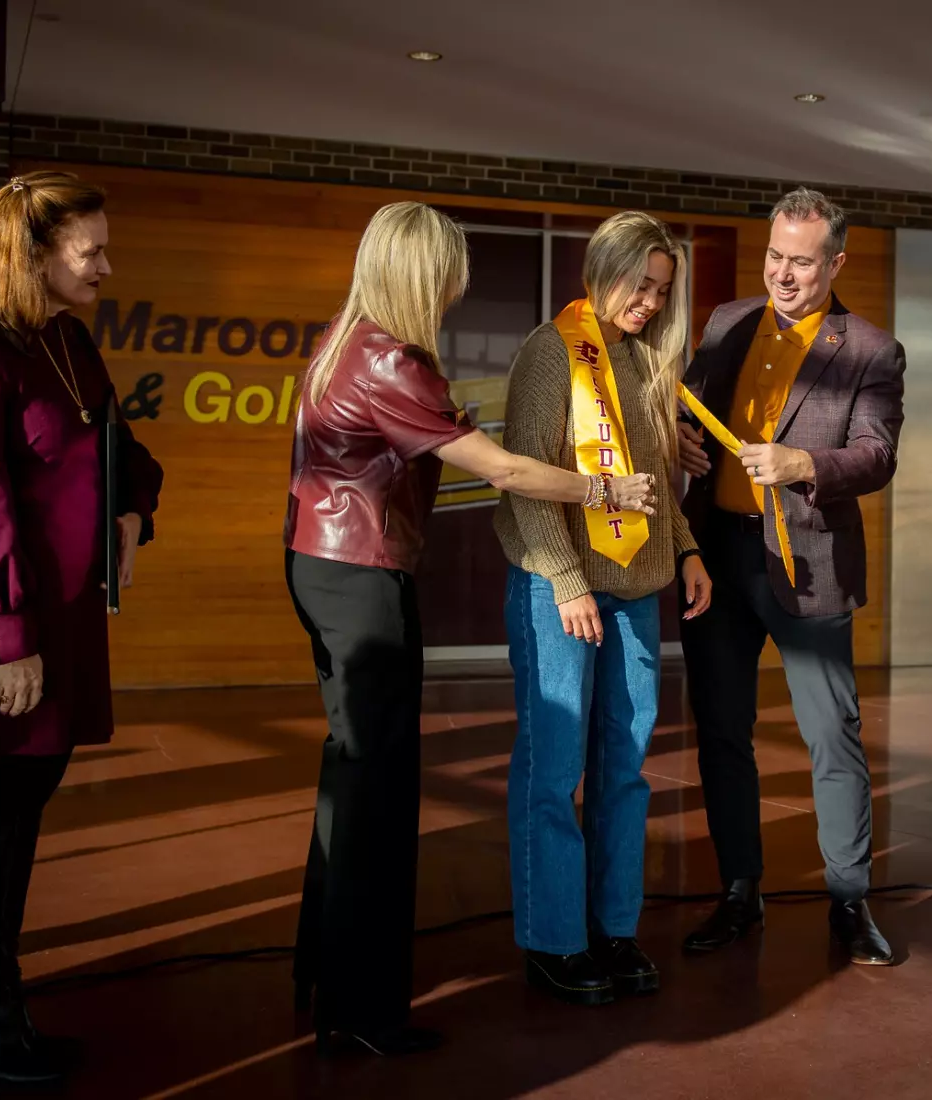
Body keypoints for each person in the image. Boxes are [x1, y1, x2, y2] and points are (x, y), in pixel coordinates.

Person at [283, 201, 658, 1056]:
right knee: (379, 798)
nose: (455, 290)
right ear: (419, 274)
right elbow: (503, 470)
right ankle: (363, 1013)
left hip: (322, 564)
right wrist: (603, 489)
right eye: (449, 274)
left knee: (351, 782)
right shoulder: (389, 359)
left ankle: (326, 974)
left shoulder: (344, 339)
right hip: (362, 577)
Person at [0, 171, 163, 1085]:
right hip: (0, 625)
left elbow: (121, 449)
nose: (105, 267)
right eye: (91, 251)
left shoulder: (69, 342)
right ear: (33, 251)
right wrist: (10, 639)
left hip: (67, 617)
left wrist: (132, 508)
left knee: (26, 797)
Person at [674, 188, 905, 965]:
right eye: (775, 255)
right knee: (721, 730)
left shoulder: (870, 350)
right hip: (717, 557)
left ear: (835, 263)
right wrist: (681, 442)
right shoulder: (727, 322)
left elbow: (876, 455)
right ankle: (740, 892)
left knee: (832, 735)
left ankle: (849, 902)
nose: (781, 273)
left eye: (800, 262)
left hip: (809, 568)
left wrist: (803, 462)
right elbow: (689, 413)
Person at [494, 212, 712, 1006]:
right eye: (640, 285)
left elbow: (654, 483)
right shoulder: (551, 351)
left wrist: (685, 549)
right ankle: (554, 940)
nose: (649, 303)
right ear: (602, 270)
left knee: (624, 768)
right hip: (560, 589)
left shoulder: (649, 361)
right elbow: (526, 479)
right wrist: (564, 577)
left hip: (635, 588)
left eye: (661, 291)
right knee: (554, 769)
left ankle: (613, 927)